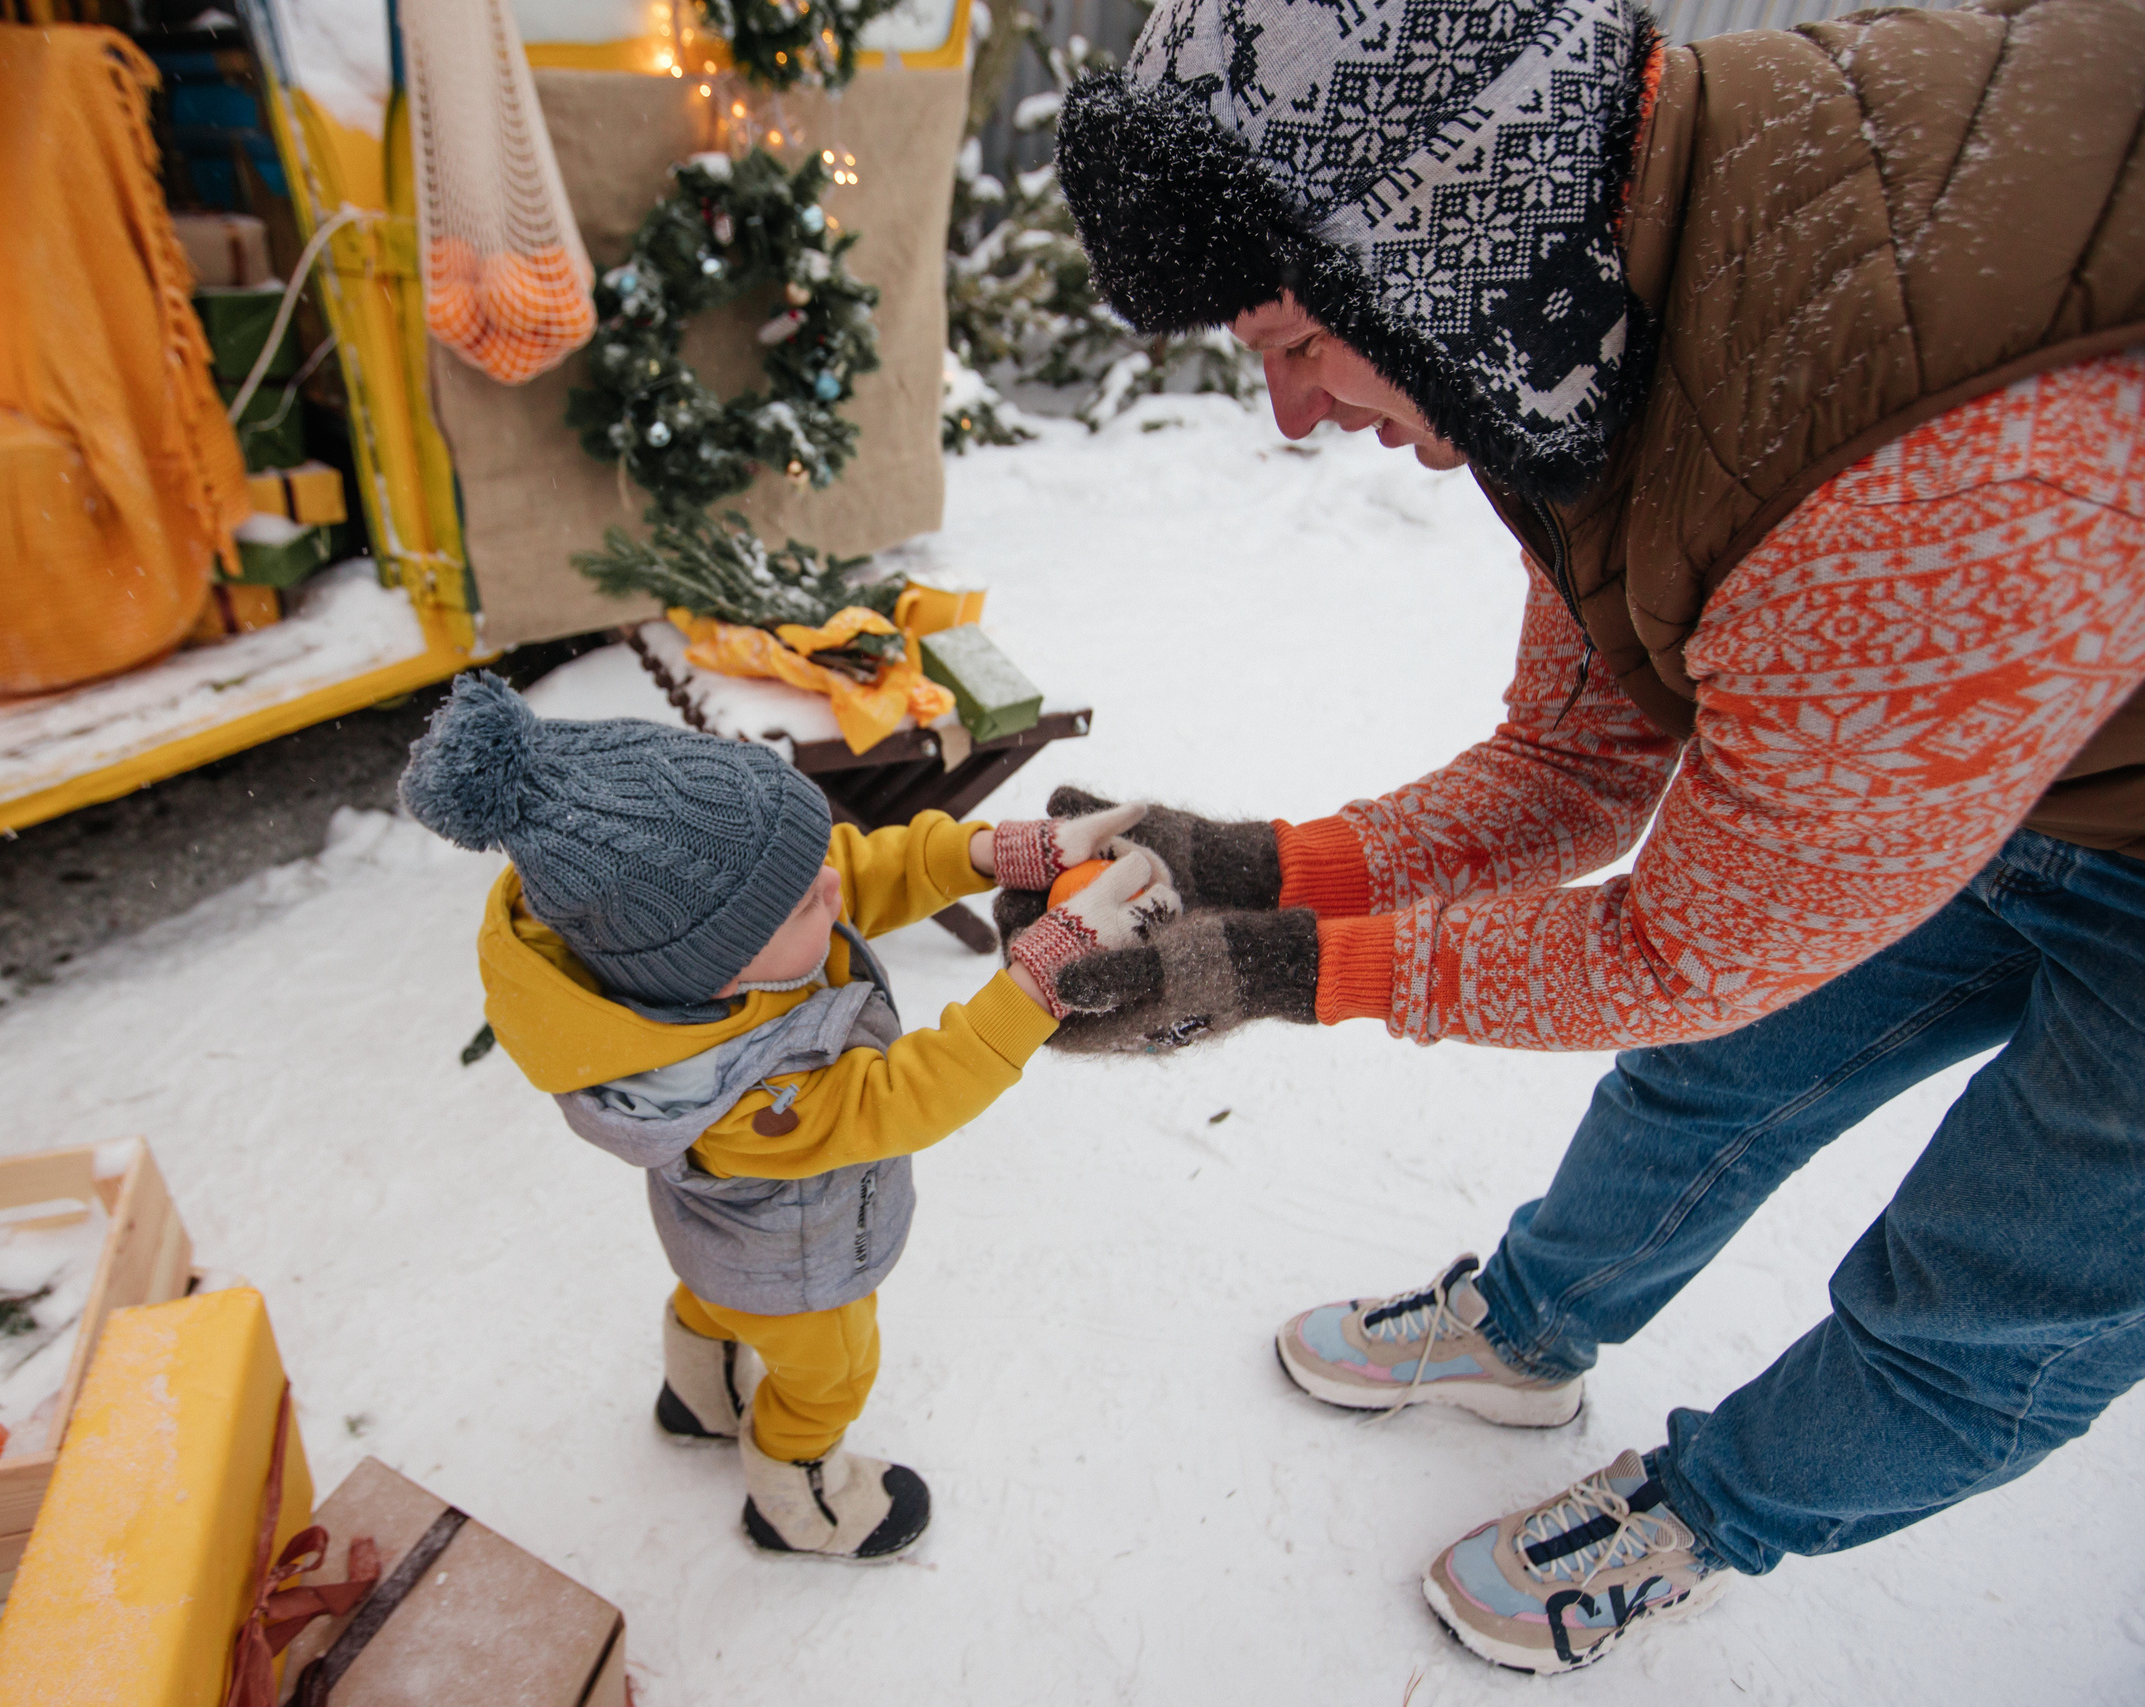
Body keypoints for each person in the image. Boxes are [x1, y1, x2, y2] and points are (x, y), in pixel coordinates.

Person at [1037, 0, 2145, 1675]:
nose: (1285, 412)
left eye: (1291, 343)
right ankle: (1532, 1328)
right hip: (2004, 706)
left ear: (1424, 246)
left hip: (2019, 632)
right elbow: (1573, 763)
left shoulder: (1920, 494)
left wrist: (1271, 968)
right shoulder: (1581, 310)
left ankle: (1715, 1512)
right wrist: (1236, 865)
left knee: (1992, 1289)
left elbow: (1675, 948)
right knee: (1721, 1075)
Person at [397, 673, 1173, 1559]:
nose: (833, 887)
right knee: (830, 1375)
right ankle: (799, 1495)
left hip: (718, 1239)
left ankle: (699, 1396)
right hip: (800, 1264)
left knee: (717, 1295)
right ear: (721, 971)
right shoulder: (743, 1094)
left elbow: (858, 872)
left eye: (814, 863)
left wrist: (997, 852)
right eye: (806, 898)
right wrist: (1042, 976)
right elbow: (901, 1096)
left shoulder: (687, 962)